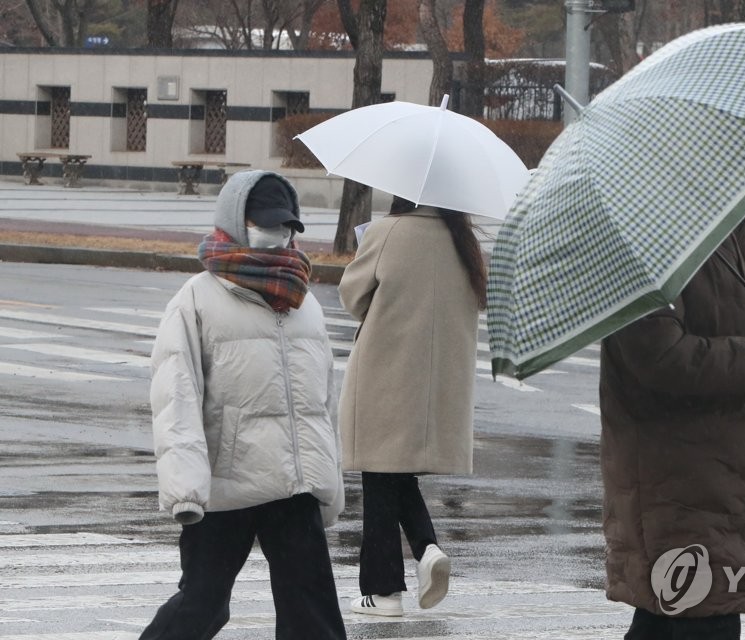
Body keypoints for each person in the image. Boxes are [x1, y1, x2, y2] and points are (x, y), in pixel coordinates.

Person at [599, 183, 745, 640]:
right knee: (686, 620)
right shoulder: (645, 232)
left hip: (732, 479)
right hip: (669, 480)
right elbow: (658, 356)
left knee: (708, 619)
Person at [140, 170, 346, 640]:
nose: (278, 235)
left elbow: (320, 402)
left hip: (293, 486)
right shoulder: (197, 299)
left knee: (313, 618)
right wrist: (186, 490)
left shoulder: (301, 301)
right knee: (202, 607)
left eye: (285, 226)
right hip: (224, 485)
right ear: (236, 221)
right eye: (266, 223)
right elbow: (177, 398)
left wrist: (326, 482)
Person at [338, 196, 486, 617]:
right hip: (437, 386)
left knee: (380, 474)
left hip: (387, 372)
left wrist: (367, 246)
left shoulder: (388, 232)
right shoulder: (464, 242)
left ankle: (383, 592)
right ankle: (426, 548)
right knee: (394, 475)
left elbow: (353, 298)